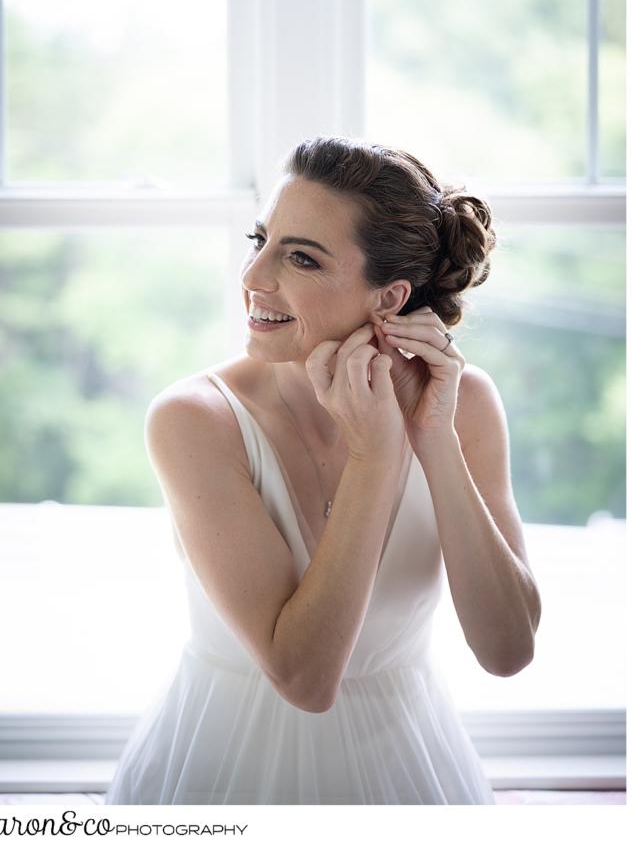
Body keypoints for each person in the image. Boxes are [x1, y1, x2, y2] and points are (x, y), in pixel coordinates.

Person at [105, 135, 541, 805]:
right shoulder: (194, 420)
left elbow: (507, 652)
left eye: (301, 257)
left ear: (388, 297)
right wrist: (374, 455)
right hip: (224, 769)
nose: (253, 276)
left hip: (407, 765)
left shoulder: (465, 403)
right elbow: (304, 680)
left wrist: (431, 435)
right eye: (261, 238)